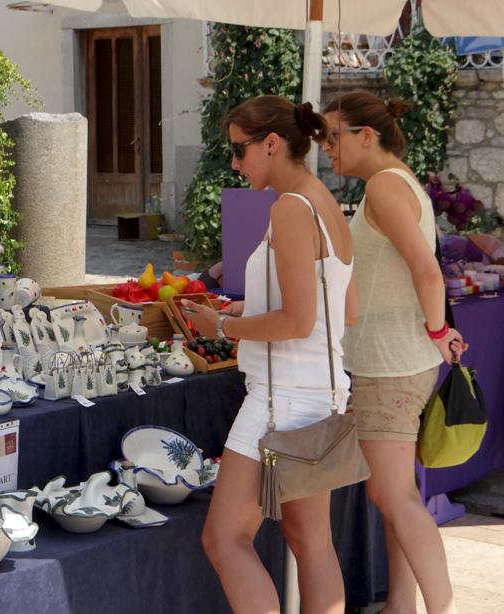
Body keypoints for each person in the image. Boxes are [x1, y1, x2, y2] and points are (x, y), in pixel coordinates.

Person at [183, 95, 356, 614]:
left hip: (281, 400)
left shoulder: (290, 208)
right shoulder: (325, 202)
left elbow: (299, 321)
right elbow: (344, 308)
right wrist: (250, 306)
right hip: (322, 396)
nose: (236, 163)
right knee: (312, 543)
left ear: (273, 144)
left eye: (240, 150)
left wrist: (224, 325)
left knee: (225, 540)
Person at [320, 90, 465, 614]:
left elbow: (427, 270)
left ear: (366, 135)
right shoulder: (395, 182)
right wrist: (437, 332)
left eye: (332, 137)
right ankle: (401, 604)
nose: (325, 148)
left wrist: (437, 330)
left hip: (391, 363)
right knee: (395, 493)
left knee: (392, 495)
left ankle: (440, 608)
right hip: (392, 358)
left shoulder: (384, 185)